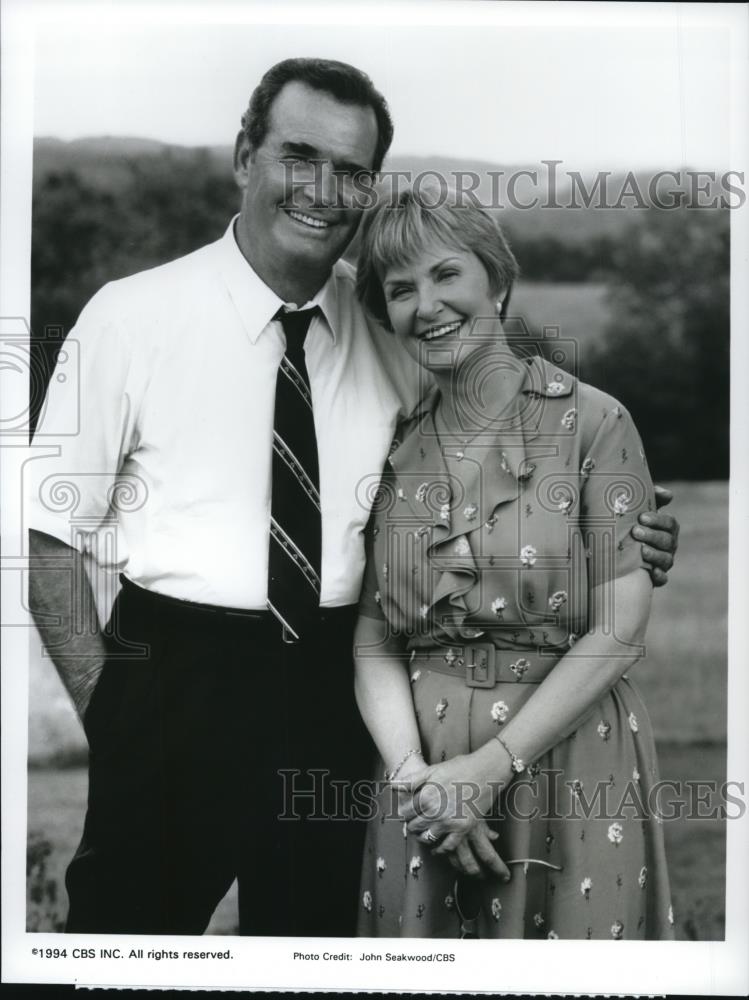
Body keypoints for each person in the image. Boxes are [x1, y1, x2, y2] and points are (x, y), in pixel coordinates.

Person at [27, 58, 679, 937]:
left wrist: (631, 522)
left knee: (321, 952)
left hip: (342, 689)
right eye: (299, 156)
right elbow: (47, 539)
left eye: (352, 171)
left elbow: (501, 441)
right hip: (177, 680)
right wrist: (112, 718)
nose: (324, 191)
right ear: (244, 157)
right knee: (122, 948)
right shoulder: (128, 317)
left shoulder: (390, 324)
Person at [353, 183, 674, 939]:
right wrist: (417, 782)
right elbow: (373, 639)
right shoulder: (393, 448)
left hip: (566, 761)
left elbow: (619, 630)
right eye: (400, 289)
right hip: (420, 785)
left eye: (446, 274)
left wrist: (489, 769)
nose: (426, 305)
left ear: (496, 280)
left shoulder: (595, 421)